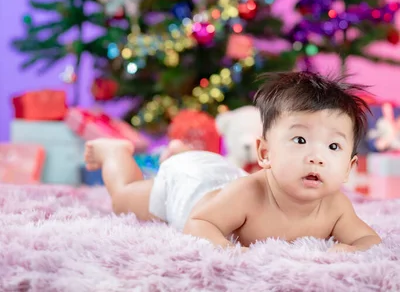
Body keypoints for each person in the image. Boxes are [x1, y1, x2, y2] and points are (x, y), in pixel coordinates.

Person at [84, 71, 381, 252]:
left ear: (348, 168)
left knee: (209, 172)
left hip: (223, 176)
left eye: (333, 146)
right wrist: (227, 251)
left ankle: (180, 150)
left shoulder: (335, 207)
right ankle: (115, 152)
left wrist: (350, 251)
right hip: (190, 188)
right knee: (124, 198)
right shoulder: (249, 194)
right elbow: (199, 222)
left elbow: (369, 240)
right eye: (300, 140)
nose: (316, 157)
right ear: (265, 154)